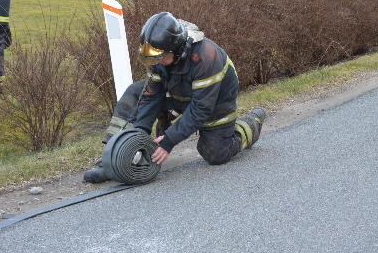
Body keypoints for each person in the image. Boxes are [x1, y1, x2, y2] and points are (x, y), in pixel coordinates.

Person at [84, 11, 267, 183]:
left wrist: (169, 140)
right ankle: (110, 160)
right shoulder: (160, 53)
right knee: (135, 92)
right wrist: (136, 138)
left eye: (162, 57)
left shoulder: (206, 57)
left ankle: (250, 125)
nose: (157, 62)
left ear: (177, 49)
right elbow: (151, 96)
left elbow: (201, 109)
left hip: (214, 102)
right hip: (179, 94)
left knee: (215, 154)